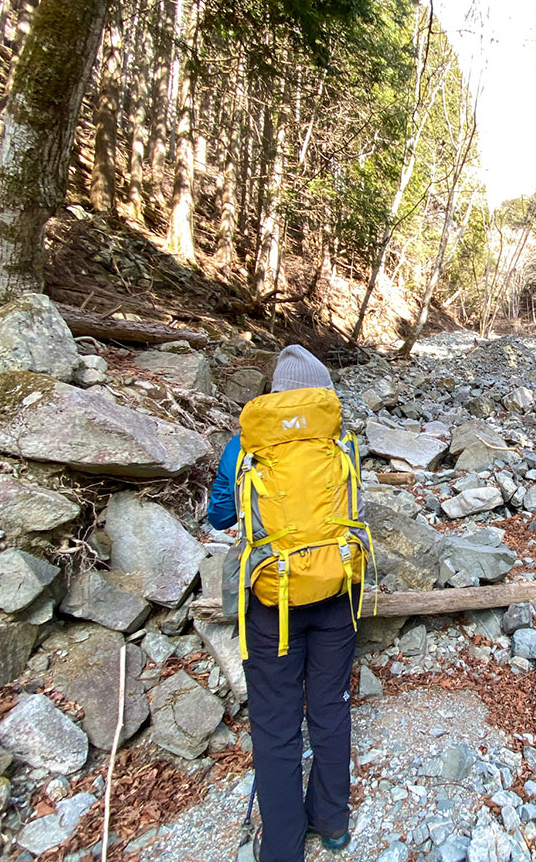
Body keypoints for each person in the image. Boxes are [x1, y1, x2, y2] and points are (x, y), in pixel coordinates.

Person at [208, 345, 356, 861]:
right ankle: (333, 825)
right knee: (331, 711)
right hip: (337, 596)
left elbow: (219, 516)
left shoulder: (246, 446)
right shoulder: (338, 440)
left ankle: (284, 847)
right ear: (321, 392)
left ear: (274, 392)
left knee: (275, 725)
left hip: (271, 602)